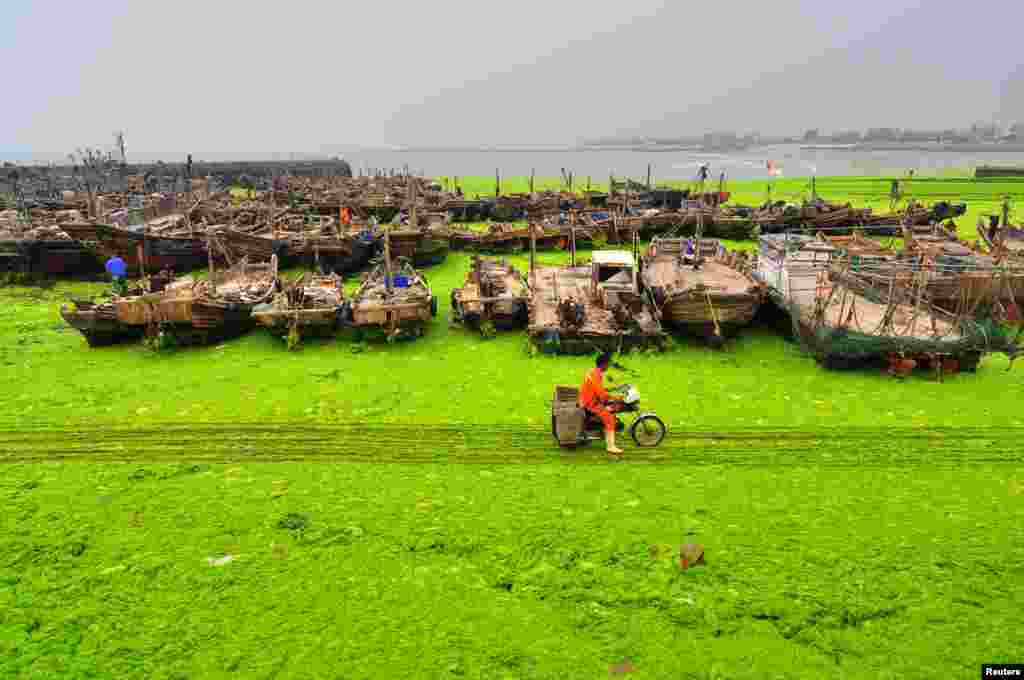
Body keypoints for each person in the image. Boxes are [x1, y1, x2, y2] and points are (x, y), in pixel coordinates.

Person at [579, 352, 623, 455]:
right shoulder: (596, 375)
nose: (608, 366)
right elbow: (601, 394)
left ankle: (603, 432)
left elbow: (599, 389)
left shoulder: (593, 372)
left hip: (588, 399)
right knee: (610, 418)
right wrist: (614, 398)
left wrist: (611, 391)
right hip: (591, 403)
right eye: (608, 364)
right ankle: (611, 446)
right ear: (604, 364)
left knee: (610, 409)